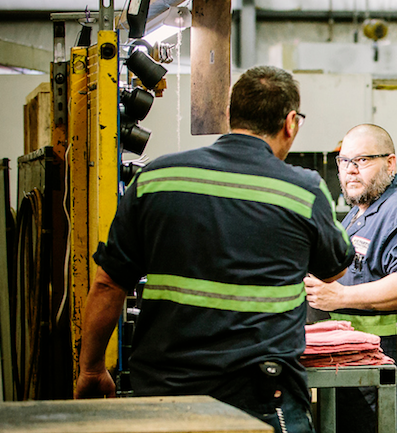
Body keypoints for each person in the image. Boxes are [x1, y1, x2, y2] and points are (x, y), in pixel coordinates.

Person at [75, 66, 355, 433]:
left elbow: (108, 285)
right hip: (261, 399)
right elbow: (334, 269)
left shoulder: (157, 178)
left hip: (164, 396)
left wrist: (92, 369)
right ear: (290, 123)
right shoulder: (302, 190)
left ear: (229, 116)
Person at [303, 125, 397, 433]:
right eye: (344, 161)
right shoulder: (358, 212)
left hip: (396, 376)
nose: (350, 171)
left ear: (390, 163)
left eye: (363, 160)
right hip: (361, 369)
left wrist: (339, 297)